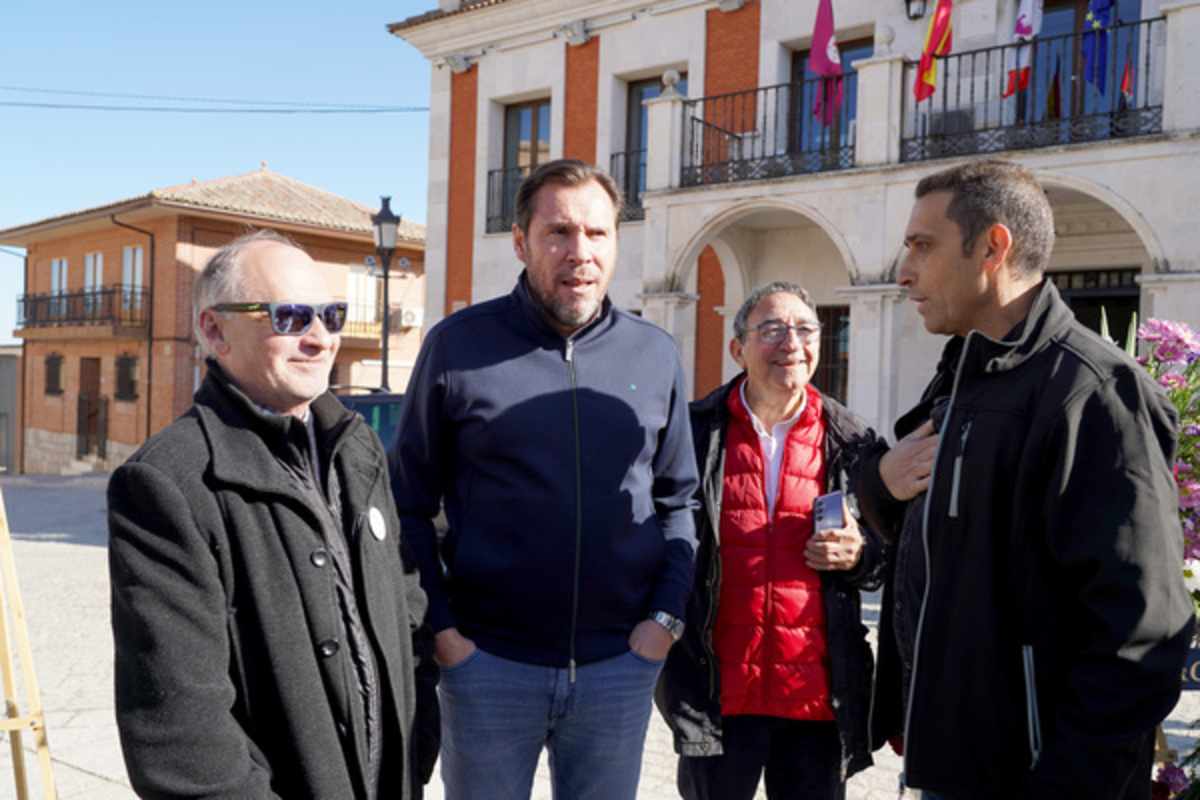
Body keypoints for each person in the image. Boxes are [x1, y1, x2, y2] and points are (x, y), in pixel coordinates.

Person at [860, 159, 1193, 799]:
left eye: (922, 247)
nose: (903, 272)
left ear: (993, 246)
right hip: (949, 769)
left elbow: (1142, 633)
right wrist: (877, 483)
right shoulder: (961, 378)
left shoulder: (1096, 393)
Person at [390, 158, 699, 800]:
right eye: (559, 232)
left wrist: (663, 623)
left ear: (617, 242)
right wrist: (446, 637)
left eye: (598, 234)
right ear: (521, 241)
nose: (579, 252)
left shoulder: (655, 353)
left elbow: (679, 501)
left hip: (620, 668)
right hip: (488, 669)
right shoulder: (456, 347)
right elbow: (406, 506)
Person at [108, 230, 437, 799]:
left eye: (331, 316)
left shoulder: (357, 450)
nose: (319, 338)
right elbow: (180, 730)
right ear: (214, 330)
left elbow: (406, 607)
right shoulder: (169, 483)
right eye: (289, 317)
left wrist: (418, 740)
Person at [655, 282, 887, 800]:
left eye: (806, 329)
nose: (792, 342)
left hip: (815, 702)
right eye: (772, 329)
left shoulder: (854, 441)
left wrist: (858, 555)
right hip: (717, 698)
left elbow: (888, 556)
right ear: (737, 348)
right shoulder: (694, 435)